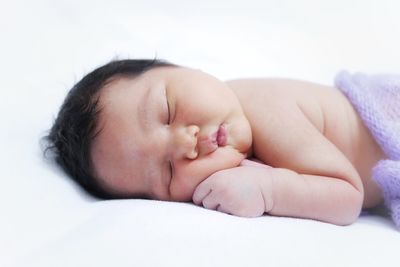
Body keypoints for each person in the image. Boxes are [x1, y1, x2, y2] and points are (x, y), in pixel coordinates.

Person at [46, 59, 400, 227]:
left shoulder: (264, 108)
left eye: (168, 111)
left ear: (186, 69)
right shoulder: (237, 147)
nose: (187, 144)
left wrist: (269, 189)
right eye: (169, 172)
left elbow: (347, 197)